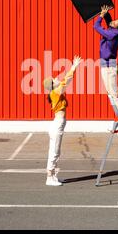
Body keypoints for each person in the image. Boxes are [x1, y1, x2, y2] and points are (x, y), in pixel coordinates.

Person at [42, 55, 82, 186]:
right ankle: (49, 177)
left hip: (58, 124)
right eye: (54, 79)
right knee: (54, 151)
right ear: (52, 85)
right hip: (57, 124)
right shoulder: (56, 92)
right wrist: (74, 67)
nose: (56, 78)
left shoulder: (57, 92)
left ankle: (53, 176)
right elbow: (66, 81)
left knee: (56, 151)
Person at [94, 5, 118, 118]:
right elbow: (109, 21)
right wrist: (106, 12)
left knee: (112, 92)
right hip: (106, 65)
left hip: (109, 66)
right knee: (110, 93)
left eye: (114, 23)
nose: (112, 22)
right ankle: (117, 115)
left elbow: (96, 26)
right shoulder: (115, 31)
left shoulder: (112, 34)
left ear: (116, 29)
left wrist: (101, 16)